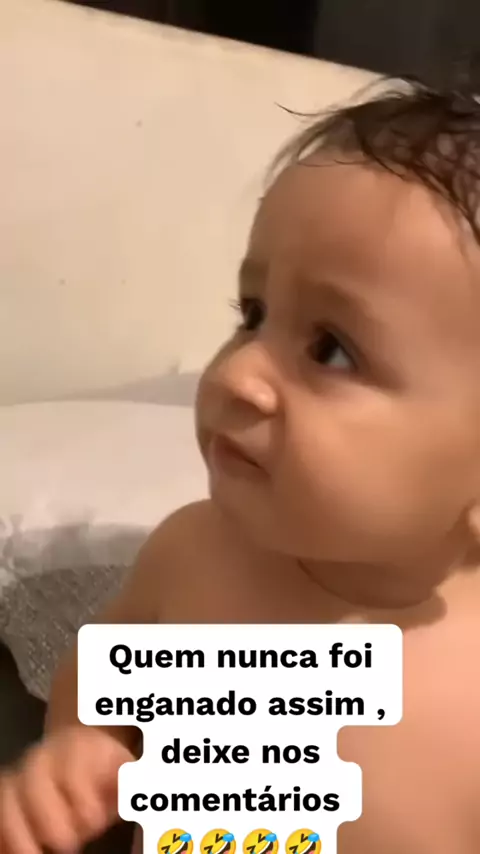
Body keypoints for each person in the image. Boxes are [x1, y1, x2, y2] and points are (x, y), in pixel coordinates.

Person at [2, 76, 480, 854]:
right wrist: (83, 756)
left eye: (332, 349)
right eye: (252, 315)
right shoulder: (194, 558)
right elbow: (102, 687)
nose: (236, 376)